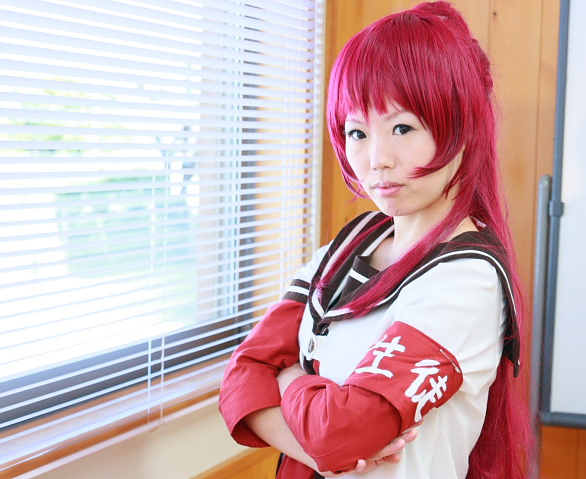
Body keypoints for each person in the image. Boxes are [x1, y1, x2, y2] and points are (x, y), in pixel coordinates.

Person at [218, 2, 534, 478]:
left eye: (402, 127)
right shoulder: (349, 246)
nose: (377, 158)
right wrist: (321, 450)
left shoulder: (466, 278)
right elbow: (241, 376)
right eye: (357, 132)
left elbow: (343, 432)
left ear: (463, 126)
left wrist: (287, 377)